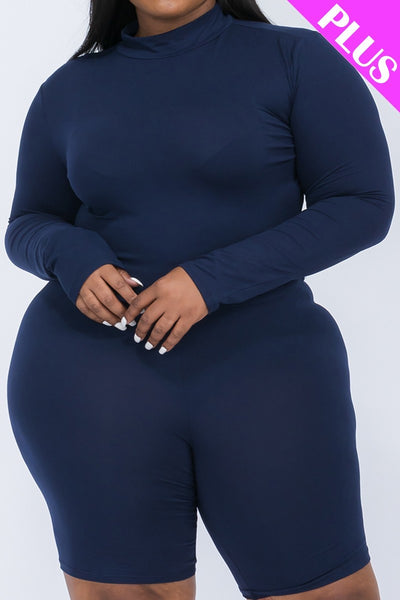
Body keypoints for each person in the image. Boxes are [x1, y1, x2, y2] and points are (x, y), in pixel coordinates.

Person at [4, 0, 395, 599]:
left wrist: (211, 280)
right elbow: (29, 222)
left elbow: (362, 203)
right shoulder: (68, 89)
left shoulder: (297, 59)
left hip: (267, 375)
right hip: (91, 381)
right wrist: (70, 254)